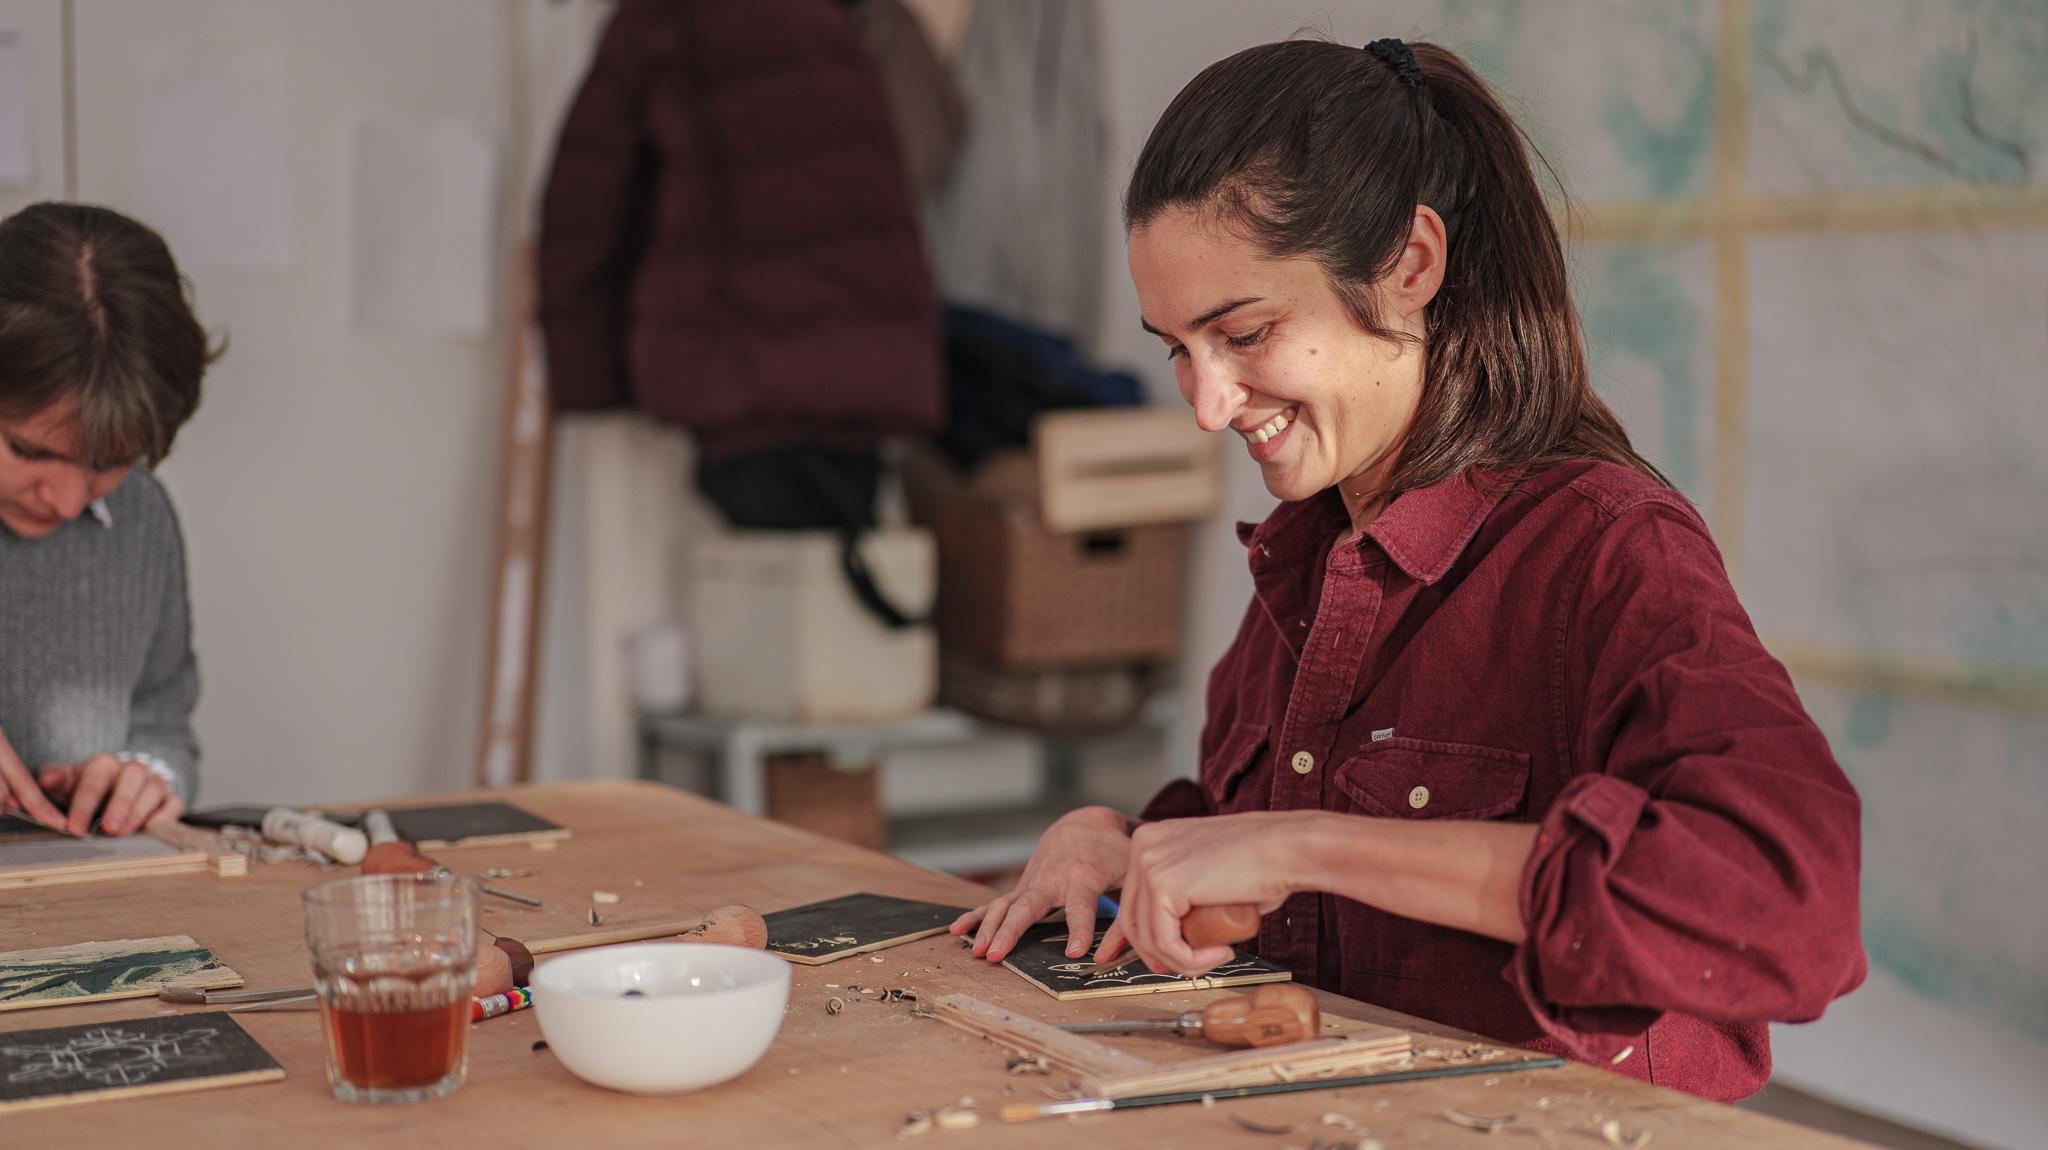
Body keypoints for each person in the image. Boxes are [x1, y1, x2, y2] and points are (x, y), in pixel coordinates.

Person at [950, 38, 1865, 1101]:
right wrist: (1114, 841)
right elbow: (1255, 864)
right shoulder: (1307, 556)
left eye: (1243, 331)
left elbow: (1791, 911)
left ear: (1409, 267)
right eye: (1176, 349)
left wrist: (1308, 845)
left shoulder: (1608, 549)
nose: (1205, 405)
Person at [0, 202, 211, 837]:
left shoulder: (140, 515)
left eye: (110, 462)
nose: (67, 502)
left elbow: (162, 716)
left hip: (75, 912)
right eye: (30, 451)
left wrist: (144, 774)